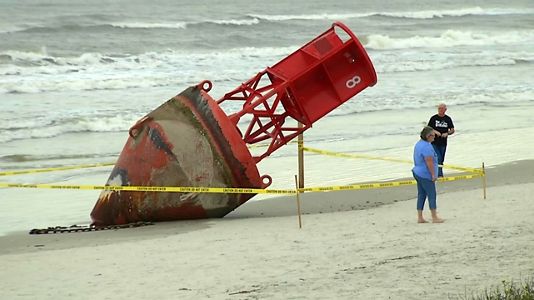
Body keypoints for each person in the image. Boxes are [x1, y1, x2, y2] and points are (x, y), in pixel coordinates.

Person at [412, 126, 444, 223]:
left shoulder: (419, 144)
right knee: (431, 194)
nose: (434, 137)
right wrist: (433, 175)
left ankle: (420, 217)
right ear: (428, 136)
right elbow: (429, 161)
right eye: (433, 136)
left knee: (421, 194)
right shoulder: (426, 146)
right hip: (425, 174)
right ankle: (434, 217)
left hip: (417, 172)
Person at [427, 103, 455, 177]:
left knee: (441, 159)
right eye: (439, 108)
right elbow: (428, 129)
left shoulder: (448, 119)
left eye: (442, 109)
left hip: (443, 142)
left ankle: (438, 172)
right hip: (434, 142)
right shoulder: (433, 118)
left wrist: (447, 133)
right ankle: (438, 175)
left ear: (445, 110)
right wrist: (435, 132)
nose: (440, 110)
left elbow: (452, 130)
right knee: (437, 157)